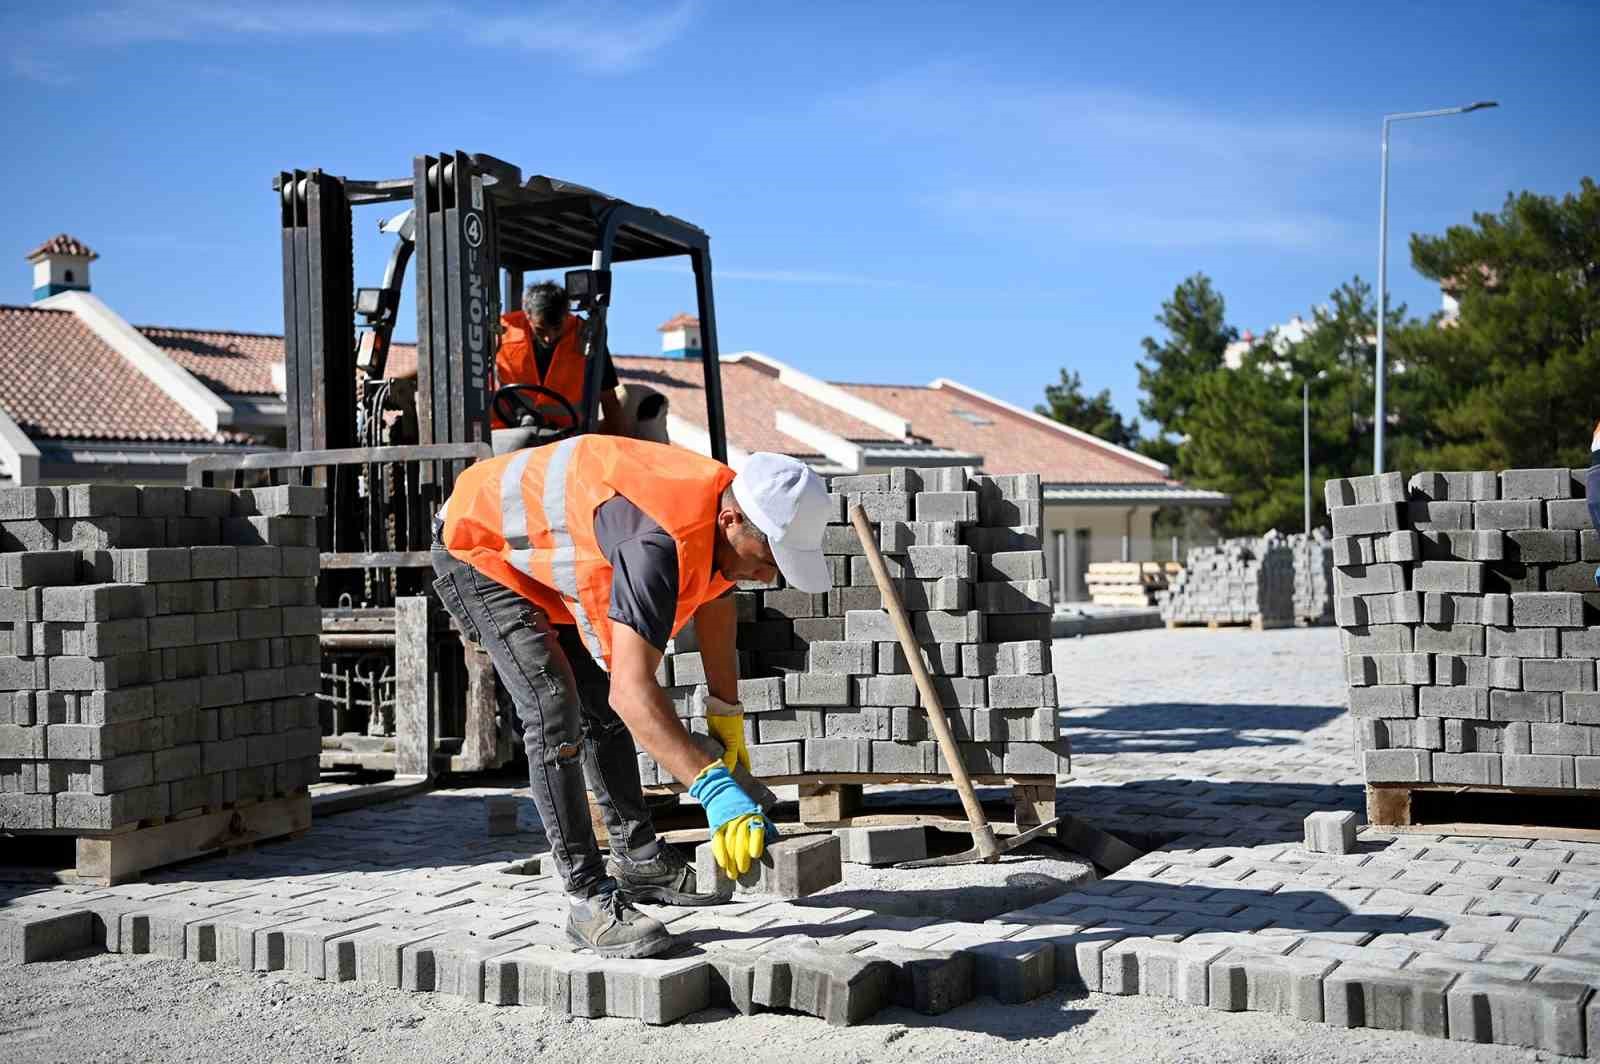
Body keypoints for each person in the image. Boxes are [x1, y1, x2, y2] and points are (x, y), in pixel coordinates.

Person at [432, 437, 832, 958]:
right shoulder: (657, 542)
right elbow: (634, 692)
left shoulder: (719, 514)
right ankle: (587, 899)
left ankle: (640, 860)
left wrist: (724, 716)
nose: (767, 576)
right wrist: (713, 790)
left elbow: (716, 602)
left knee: (598, 699)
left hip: (559, 546)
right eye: (767, 558)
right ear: (732, 520)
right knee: (554, 707)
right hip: (478, 546)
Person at [492, 281, 624, 433]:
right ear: (527, 316)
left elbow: (609, 402)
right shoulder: (499, 332)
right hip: (506, 435)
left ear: (567, 314)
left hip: (564, 440)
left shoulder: (587, 339)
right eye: (541, 330)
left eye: (557, 328)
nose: (549, 337)